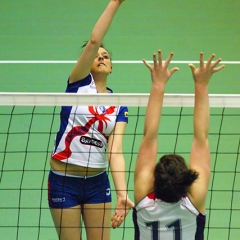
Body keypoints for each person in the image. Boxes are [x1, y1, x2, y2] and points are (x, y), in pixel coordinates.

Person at [48, 1, 134, 240]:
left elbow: (115, 151)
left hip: (97, 183)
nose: (101, 57)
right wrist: (115, 3)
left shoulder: (119, 104)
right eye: (96, 56)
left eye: (106, 56)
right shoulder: (77, 84)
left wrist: (122, 193)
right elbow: (94, 40)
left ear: (112, 67)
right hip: (64, 182)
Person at [133, 50, 225, 239]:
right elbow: (201, 139)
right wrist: (201, 84)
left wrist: (158, 84)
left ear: (153, 181)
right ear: (187, 183)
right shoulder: (193, 201)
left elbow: (149, 136)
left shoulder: (144, 199)